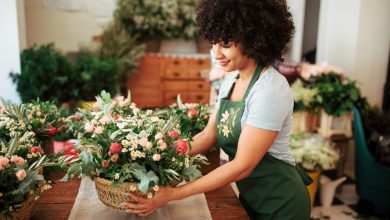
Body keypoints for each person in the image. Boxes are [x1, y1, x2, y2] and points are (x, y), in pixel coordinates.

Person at [124, 0, 312, 219]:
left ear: (253, 38)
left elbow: (242, 166)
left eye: (225, 43)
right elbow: (208, 135)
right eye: (213, 42)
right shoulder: (231, 79)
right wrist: (155, 154)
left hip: (283, 205)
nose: (216, 53)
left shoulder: (270, 90)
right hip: (250, 198)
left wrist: (173, 194)